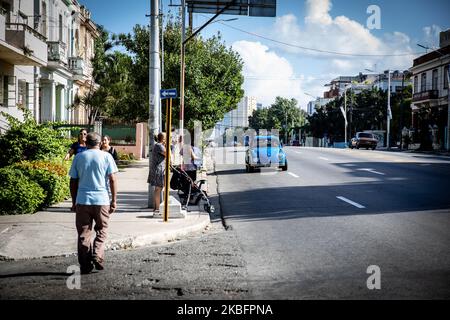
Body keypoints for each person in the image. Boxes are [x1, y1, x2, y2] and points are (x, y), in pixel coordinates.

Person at [69, 132, 118, 274]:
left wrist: (74, 202)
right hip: (102, 200)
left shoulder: (79, 157)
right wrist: (114, 200)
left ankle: (85, 265)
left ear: (86, 142)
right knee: (102, 230)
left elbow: (73, 181)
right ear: (99, 143)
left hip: (82, 200)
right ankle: (97, 254)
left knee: (84, 233)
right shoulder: (106, 156)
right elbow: (113, 179)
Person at [147, 133, 166, 213]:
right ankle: (157, 208)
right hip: (158, 170)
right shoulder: (159, 145)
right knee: (158, 189)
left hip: (158, 169)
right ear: (163, 138)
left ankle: (156, 208)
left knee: (158, 189)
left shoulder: (158, 145)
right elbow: (167, 153)